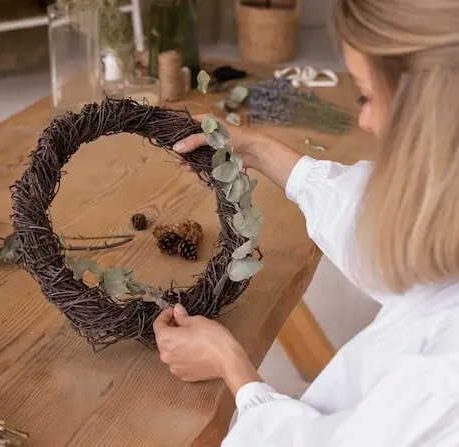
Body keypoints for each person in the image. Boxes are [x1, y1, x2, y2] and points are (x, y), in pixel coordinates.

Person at [153, 0, 459, 445]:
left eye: (367, 96)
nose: (364, 121)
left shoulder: (443, 376)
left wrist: (230, 364)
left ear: (430, 112)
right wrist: (259, 150)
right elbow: (396, 220)